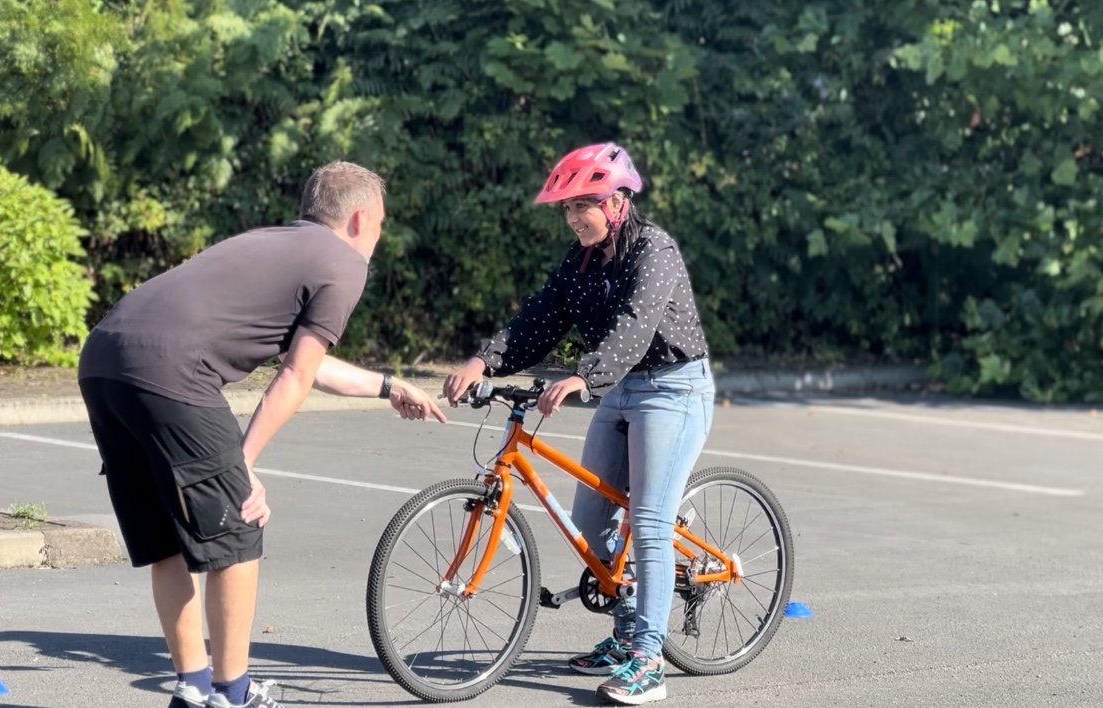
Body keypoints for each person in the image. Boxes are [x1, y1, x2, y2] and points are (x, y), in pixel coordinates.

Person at [77, 161, 447, 708]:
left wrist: (389, 386)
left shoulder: (271, 243)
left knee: (168, 543)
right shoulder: (343, 263)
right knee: (239, 533)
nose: (378, 237)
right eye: (381, 224)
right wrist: (243, 463)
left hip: (103, 361)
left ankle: (193, 688)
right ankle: (233, 693)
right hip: (171, 371)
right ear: (360, 218)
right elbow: (295, 375)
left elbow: (307, 362)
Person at [443, 143, 715, 705]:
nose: (572, 218)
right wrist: (484, 360)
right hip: (619, 388)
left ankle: (647, 660)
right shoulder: (581, 261)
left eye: (581, 206)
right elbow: (539, 319)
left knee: (648, 520)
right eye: (565, 209)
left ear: (617, 202)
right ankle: (625, 630)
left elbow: (635, 328)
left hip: (674, 389)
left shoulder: (654, 250)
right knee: (592, 518)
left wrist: (584, 377)